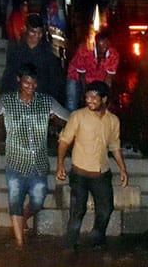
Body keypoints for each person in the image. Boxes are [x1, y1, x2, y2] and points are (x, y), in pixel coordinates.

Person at [0, 63, 70, 247]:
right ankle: (19, 244)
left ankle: (25, 217)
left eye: (33, 84)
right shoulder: (6, 101)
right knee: (15, 200)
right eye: (26, 83)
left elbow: (70, 118)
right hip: (15, 163)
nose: (30, 87)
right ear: (19, 81)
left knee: (38, 200)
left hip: (39, 163)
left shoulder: (46, 102)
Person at [55, 80, 128, 249]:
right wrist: (60, 163)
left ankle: (96, 239)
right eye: (87, 97)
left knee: (106, 209)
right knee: (77, 210)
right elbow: (64, 141)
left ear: (104, 99)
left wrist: (122, 169)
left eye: (94, 98)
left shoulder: (113, 121)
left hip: (101, 173)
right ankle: (71, 244)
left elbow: (115, 146)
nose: (89, 101)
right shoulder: (78, 116)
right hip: (79, 172)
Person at [0, 13, 62, 101]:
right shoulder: (15, 49)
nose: (36, 35)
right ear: (26, 30)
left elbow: (53, 79)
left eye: (39, 32)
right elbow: (10, 73)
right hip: (18, 96)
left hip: (41, 96)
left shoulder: (48, 52)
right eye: (33, 31)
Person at [65, 29, 119, 111]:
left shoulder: (113, 55)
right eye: (100, 46)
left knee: (97, 105)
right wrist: (86, 95)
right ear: (95, 44)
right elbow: (81, 76)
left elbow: (108, 79)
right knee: (72, 103)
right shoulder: (84, 51)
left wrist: (106, 96)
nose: (103, 49)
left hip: (97, 79)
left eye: (106, 45)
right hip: (76, 76)